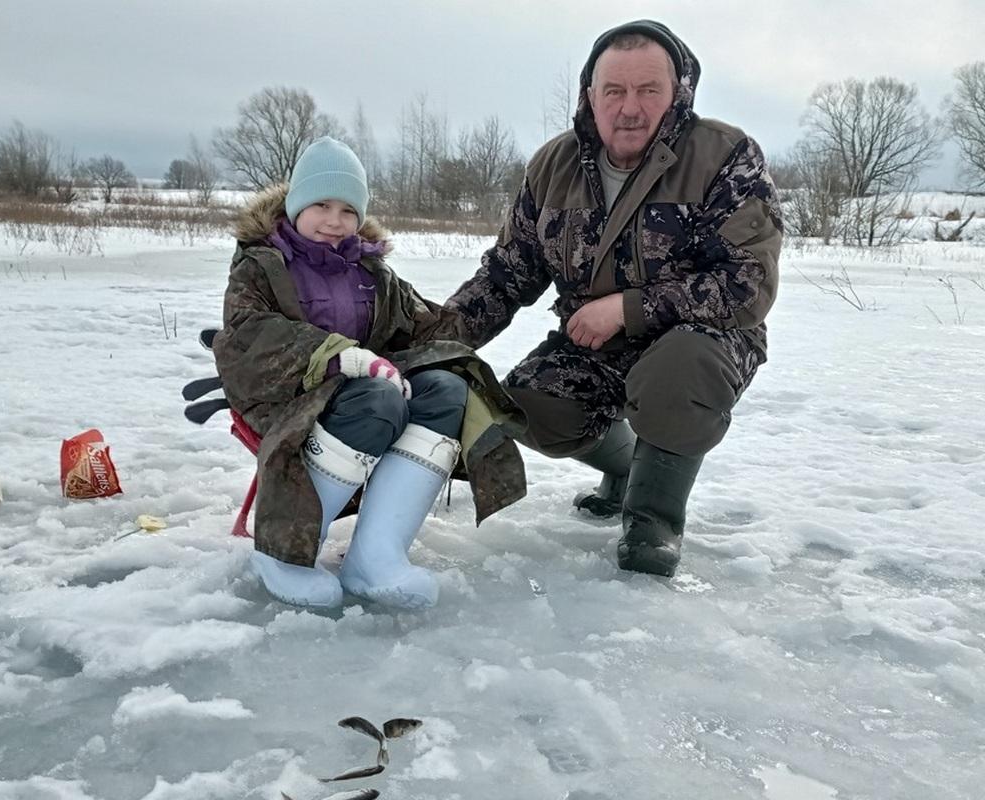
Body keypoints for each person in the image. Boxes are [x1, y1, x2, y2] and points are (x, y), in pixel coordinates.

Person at [444, 20, 782, 577]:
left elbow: (747, 283)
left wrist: (627, 308)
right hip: (594, 344)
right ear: (590, 97)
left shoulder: (725, 155)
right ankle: (628, 468)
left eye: (649, 90)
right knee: (529, 407)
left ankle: (654, 520)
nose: (630, 107)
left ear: (678, 93)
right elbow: (507, 274)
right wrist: (435, 338)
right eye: (615, 91)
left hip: (706, 339)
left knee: (678, 370)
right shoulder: (553, 166)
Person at [212, 137, 526, 610]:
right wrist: (338, 355)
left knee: (446, 388)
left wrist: (508, 288)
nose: (334, 221)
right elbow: (247, 336)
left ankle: (375, 557)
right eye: (321, 204)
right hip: (284, 396)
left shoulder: (372, 272)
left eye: (347, 209)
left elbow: (430, 328)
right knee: (379, 397)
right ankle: (286, 553)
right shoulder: (262, 265)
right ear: (297, 203)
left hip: (364, 393)